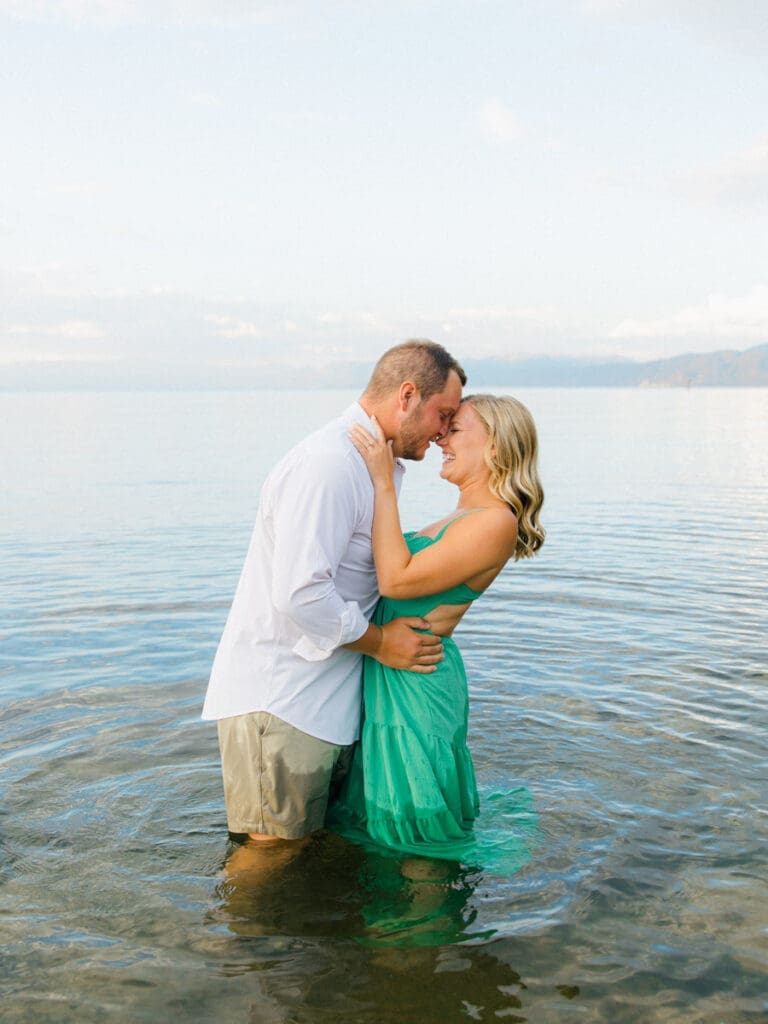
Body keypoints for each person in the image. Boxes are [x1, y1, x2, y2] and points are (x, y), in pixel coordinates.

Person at [202, 340, 466, 846]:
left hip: (321, 704)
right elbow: (300, 595)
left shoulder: (369, 464)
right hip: (283, 699)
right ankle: (212, 930)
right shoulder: (330, 464)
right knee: (270, 856)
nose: (443, 432)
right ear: (407, 395)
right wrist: (384, 644)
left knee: (302, 857)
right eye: (443, 414)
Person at [326, 394, 545, 864]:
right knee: (389, 822)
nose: (441, 436)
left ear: (495, 449)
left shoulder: (495, 522)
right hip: (394, 675)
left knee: (419, 836)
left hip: (419, 686)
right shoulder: (459, 517)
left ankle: (430, 935)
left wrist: (383, 484)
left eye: (456, 428)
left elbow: (397, 579)